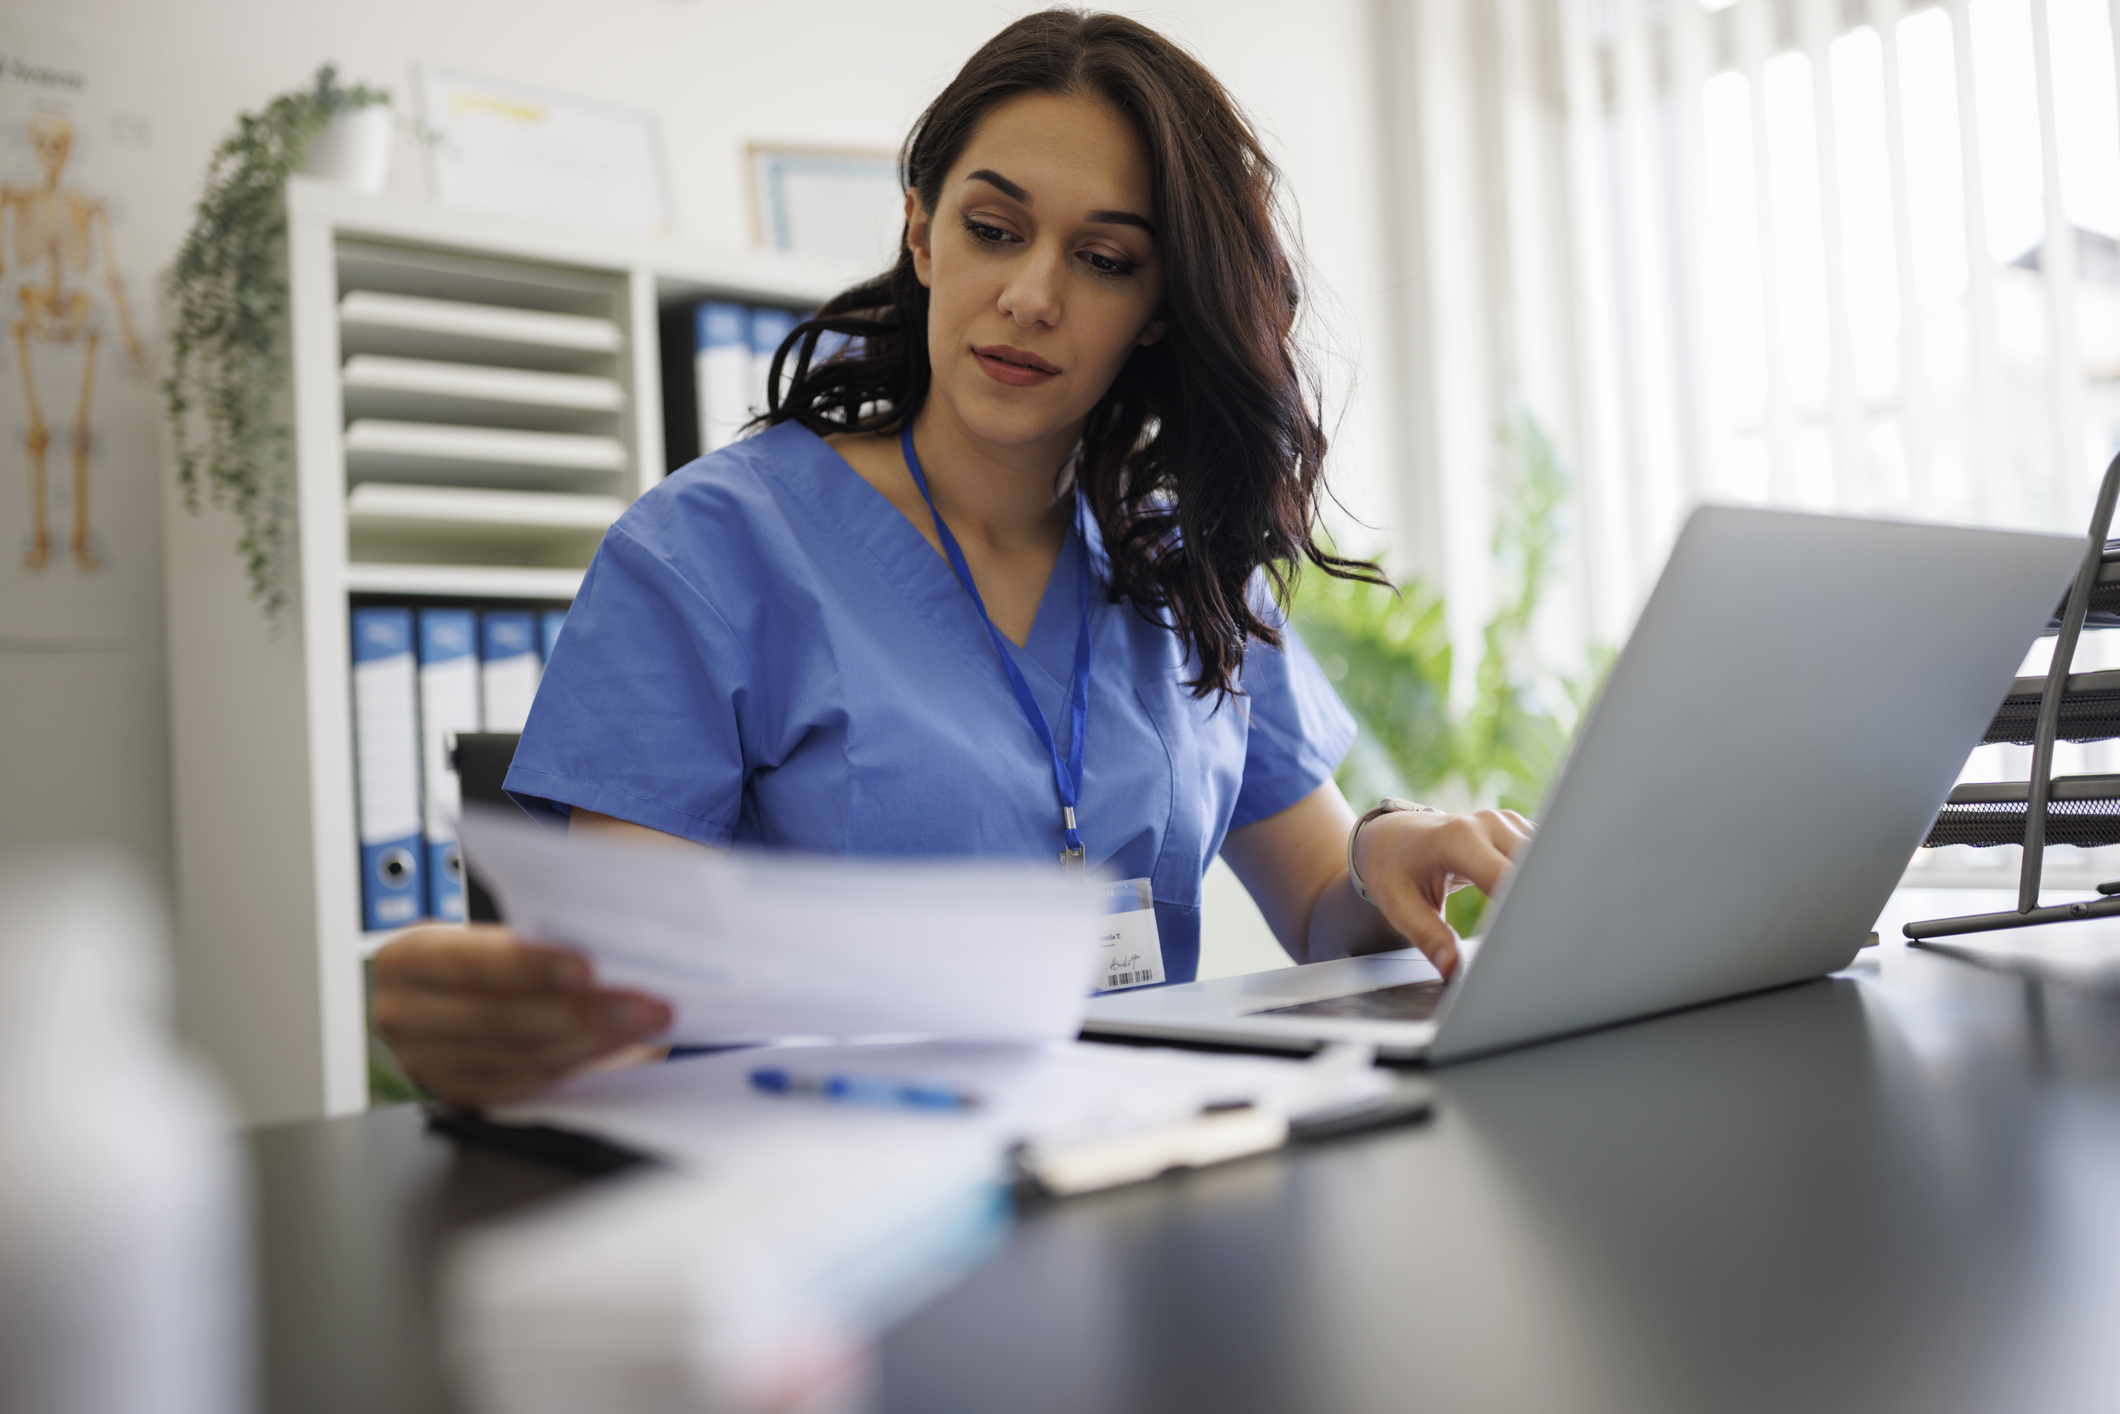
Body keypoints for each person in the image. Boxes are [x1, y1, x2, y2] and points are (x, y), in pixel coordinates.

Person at [373, 9, 1532, 1107]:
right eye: (993, 230)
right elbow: (620, 1014)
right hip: (825, 1214)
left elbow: (1324, 908)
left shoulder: (1181, 569)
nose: (1031, 297)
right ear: (921, 233)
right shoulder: (708, 555)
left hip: (1121, 1191)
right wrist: (491, 1023)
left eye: (1105, 259)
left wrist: (1391, 854)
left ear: (1161, 308)